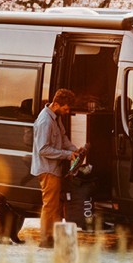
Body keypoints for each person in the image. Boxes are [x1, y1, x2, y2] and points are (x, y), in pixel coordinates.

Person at [31, 88, 81, 249]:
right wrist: (67, 155)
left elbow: (63, 137)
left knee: (56, 205)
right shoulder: (45, 121)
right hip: (47, 169)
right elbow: (43, 149)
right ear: (56, 104)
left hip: (54, 168)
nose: (67, 112)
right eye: (65, 108)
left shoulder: (55, 117)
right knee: (50, 205)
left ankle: (55, 236)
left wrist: (74, 150)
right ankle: (45, 239)